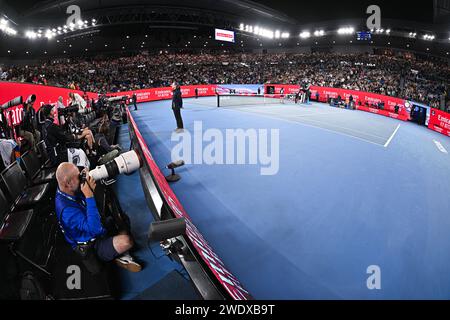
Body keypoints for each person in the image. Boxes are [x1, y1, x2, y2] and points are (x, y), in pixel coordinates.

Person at [55, 163, 141, 272]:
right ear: (68, 183)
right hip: (91, 245)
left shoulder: (67, 188)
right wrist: (89, 195)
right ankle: (119, 256)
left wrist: (85, 173)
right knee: (127, 241)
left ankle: (118, 253)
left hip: (95, 227)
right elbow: (94, 229)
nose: (82, 179)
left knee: (122, 218)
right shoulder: (66, 211)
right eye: (78, 177)